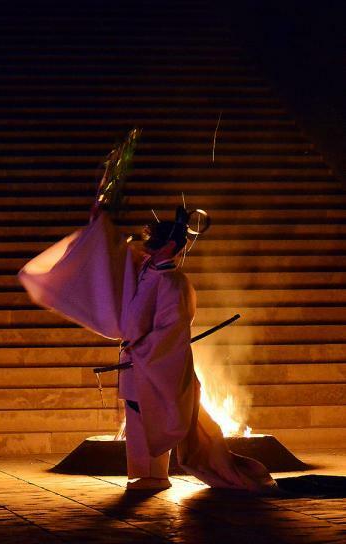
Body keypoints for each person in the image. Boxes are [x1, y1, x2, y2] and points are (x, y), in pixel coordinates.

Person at [18, 199, 278, 493]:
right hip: (138, 356)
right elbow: (112, 259)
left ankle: (156, 475)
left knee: (153, 415)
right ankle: (142, 474)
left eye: (153, 245)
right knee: (137, 414)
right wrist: (97, 226)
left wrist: (141, 351)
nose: (146, 249)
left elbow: (170, 329)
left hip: (154, 359)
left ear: (168, 249)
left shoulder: (173, 282)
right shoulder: (145, 271)